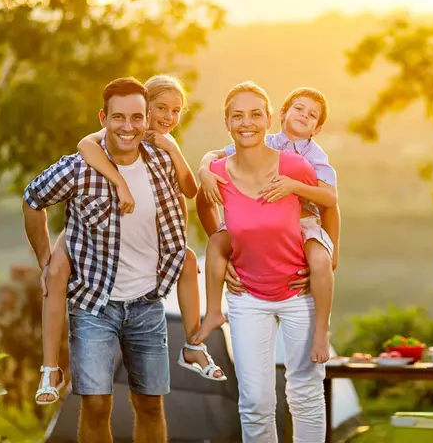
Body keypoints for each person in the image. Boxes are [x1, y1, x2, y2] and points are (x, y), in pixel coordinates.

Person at [33, 75, 225, 406]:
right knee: (55, 273)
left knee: (188, 261)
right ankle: (49, 367)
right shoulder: (115, 132)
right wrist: (119, 183)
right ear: (145, 107)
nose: (168, 118)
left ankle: (194, 346)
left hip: (140, 250)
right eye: (161, 108)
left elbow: (189, 191)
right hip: (84, 230)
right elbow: (85, 146)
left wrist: (176, 150)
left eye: (176, 111)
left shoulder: (161, 148)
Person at [23, 77, 184, 442]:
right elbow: (32, 200)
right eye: (119, 117)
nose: (128, 127)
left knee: (150, 405)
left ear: (146, 120)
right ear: (104, 118)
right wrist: (47, 260)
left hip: (147, 304)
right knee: (96, 406)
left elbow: (185, 201)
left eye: (137, 118)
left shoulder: (161, 162)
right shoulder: (78, 169)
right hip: (93, 306)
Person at [195, 81, 326, 441]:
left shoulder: (295, 166)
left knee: (305, 393)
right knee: (254, 401)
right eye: (237, 116)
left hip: (299, 295)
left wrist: (329, 258)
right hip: (247, 298)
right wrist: (222, 248)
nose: (246, 122)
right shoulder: (218, 173)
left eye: (255, 114)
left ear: (269, 120)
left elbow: (329, 206)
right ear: (227, 123)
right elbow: (203, 206)